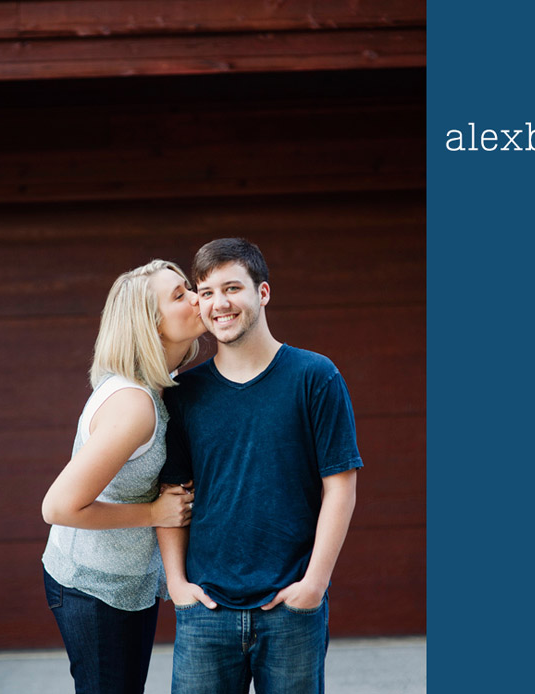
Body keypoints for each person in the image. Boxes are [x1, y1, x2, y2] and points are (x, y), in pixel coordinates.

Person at [157, 237, 362, 694]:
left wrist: (314, 586)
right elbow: (172, 495)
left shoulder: (315, 377)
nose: (219, 304)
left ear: (262, 293)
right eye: (206, 292)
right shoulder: (184, 394)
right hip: (205, 611)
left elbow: (341, 488)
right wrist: (177, 585)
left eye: (232, 288)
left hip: (291, 608)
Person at [41, 259, 207, 694]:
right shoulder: (134, 405)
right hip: (92, 587)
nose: (197, 298)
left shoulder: (157, 384)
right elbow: (58, 506)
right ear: (150, 325)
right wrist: (154, 511)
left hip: (126, 580)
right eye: (179, 295)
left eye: (188, 287)